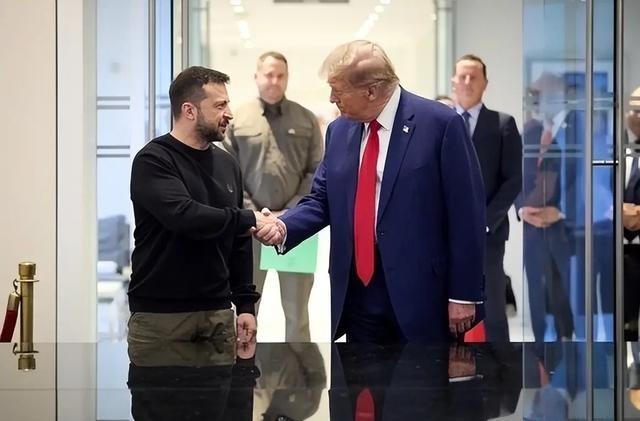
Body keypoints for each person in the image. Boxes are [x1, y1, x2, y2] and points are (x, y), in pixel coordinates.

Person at [255, 40, 486, 343]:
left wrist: (464, 294)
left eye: (338, 90)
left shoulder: (440, 125)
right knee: (360, 374)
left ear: (371, 91)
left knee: (421, 375)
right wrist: (283, 226)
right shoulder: (339, 131)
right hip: (358, 293)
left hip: (422, 294)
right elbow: (322, 198)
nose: (332, 98)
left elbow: (466, 214)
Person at [128, 66, 276, 347]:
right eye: (220, 106)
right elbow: (184, 216)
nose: (229, 114)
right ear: (189, 110)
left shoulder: (227, 163)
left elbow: (239, 242)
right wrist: (250, 218)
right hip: (160, 317)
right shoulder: (153, 160)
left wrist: (245, 305)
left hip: (217, 314)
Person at [223, 51, 324, 342]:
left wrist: (290, 214)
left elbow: (317, 171)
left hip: (297, 230)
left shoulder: (305, 119)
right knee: (246, 312)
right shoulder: (237, 119)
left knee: (298, 315)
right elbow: (228, 172)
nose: (274, 81)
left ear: (287, 78)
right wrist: (254, 214)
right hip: (249, 230)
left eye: (281, 75)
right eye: (269, 74)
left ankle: (297, 372)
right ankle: (245, 369)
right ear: (256, 77)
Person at [451, 54, 523, 342]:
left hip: (488, 235)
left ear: (485, 83)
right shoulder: (441, 123)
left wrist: (485, 221)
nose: (468, 82)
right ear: (454, 82)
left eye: (474, 77)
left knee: (491, 308)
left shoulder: (503, 124)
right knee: (446, 308)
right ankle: (447, 367)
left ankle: (499, 368)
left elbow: (513, 180)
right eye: (463, 76)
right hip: (446, 233)